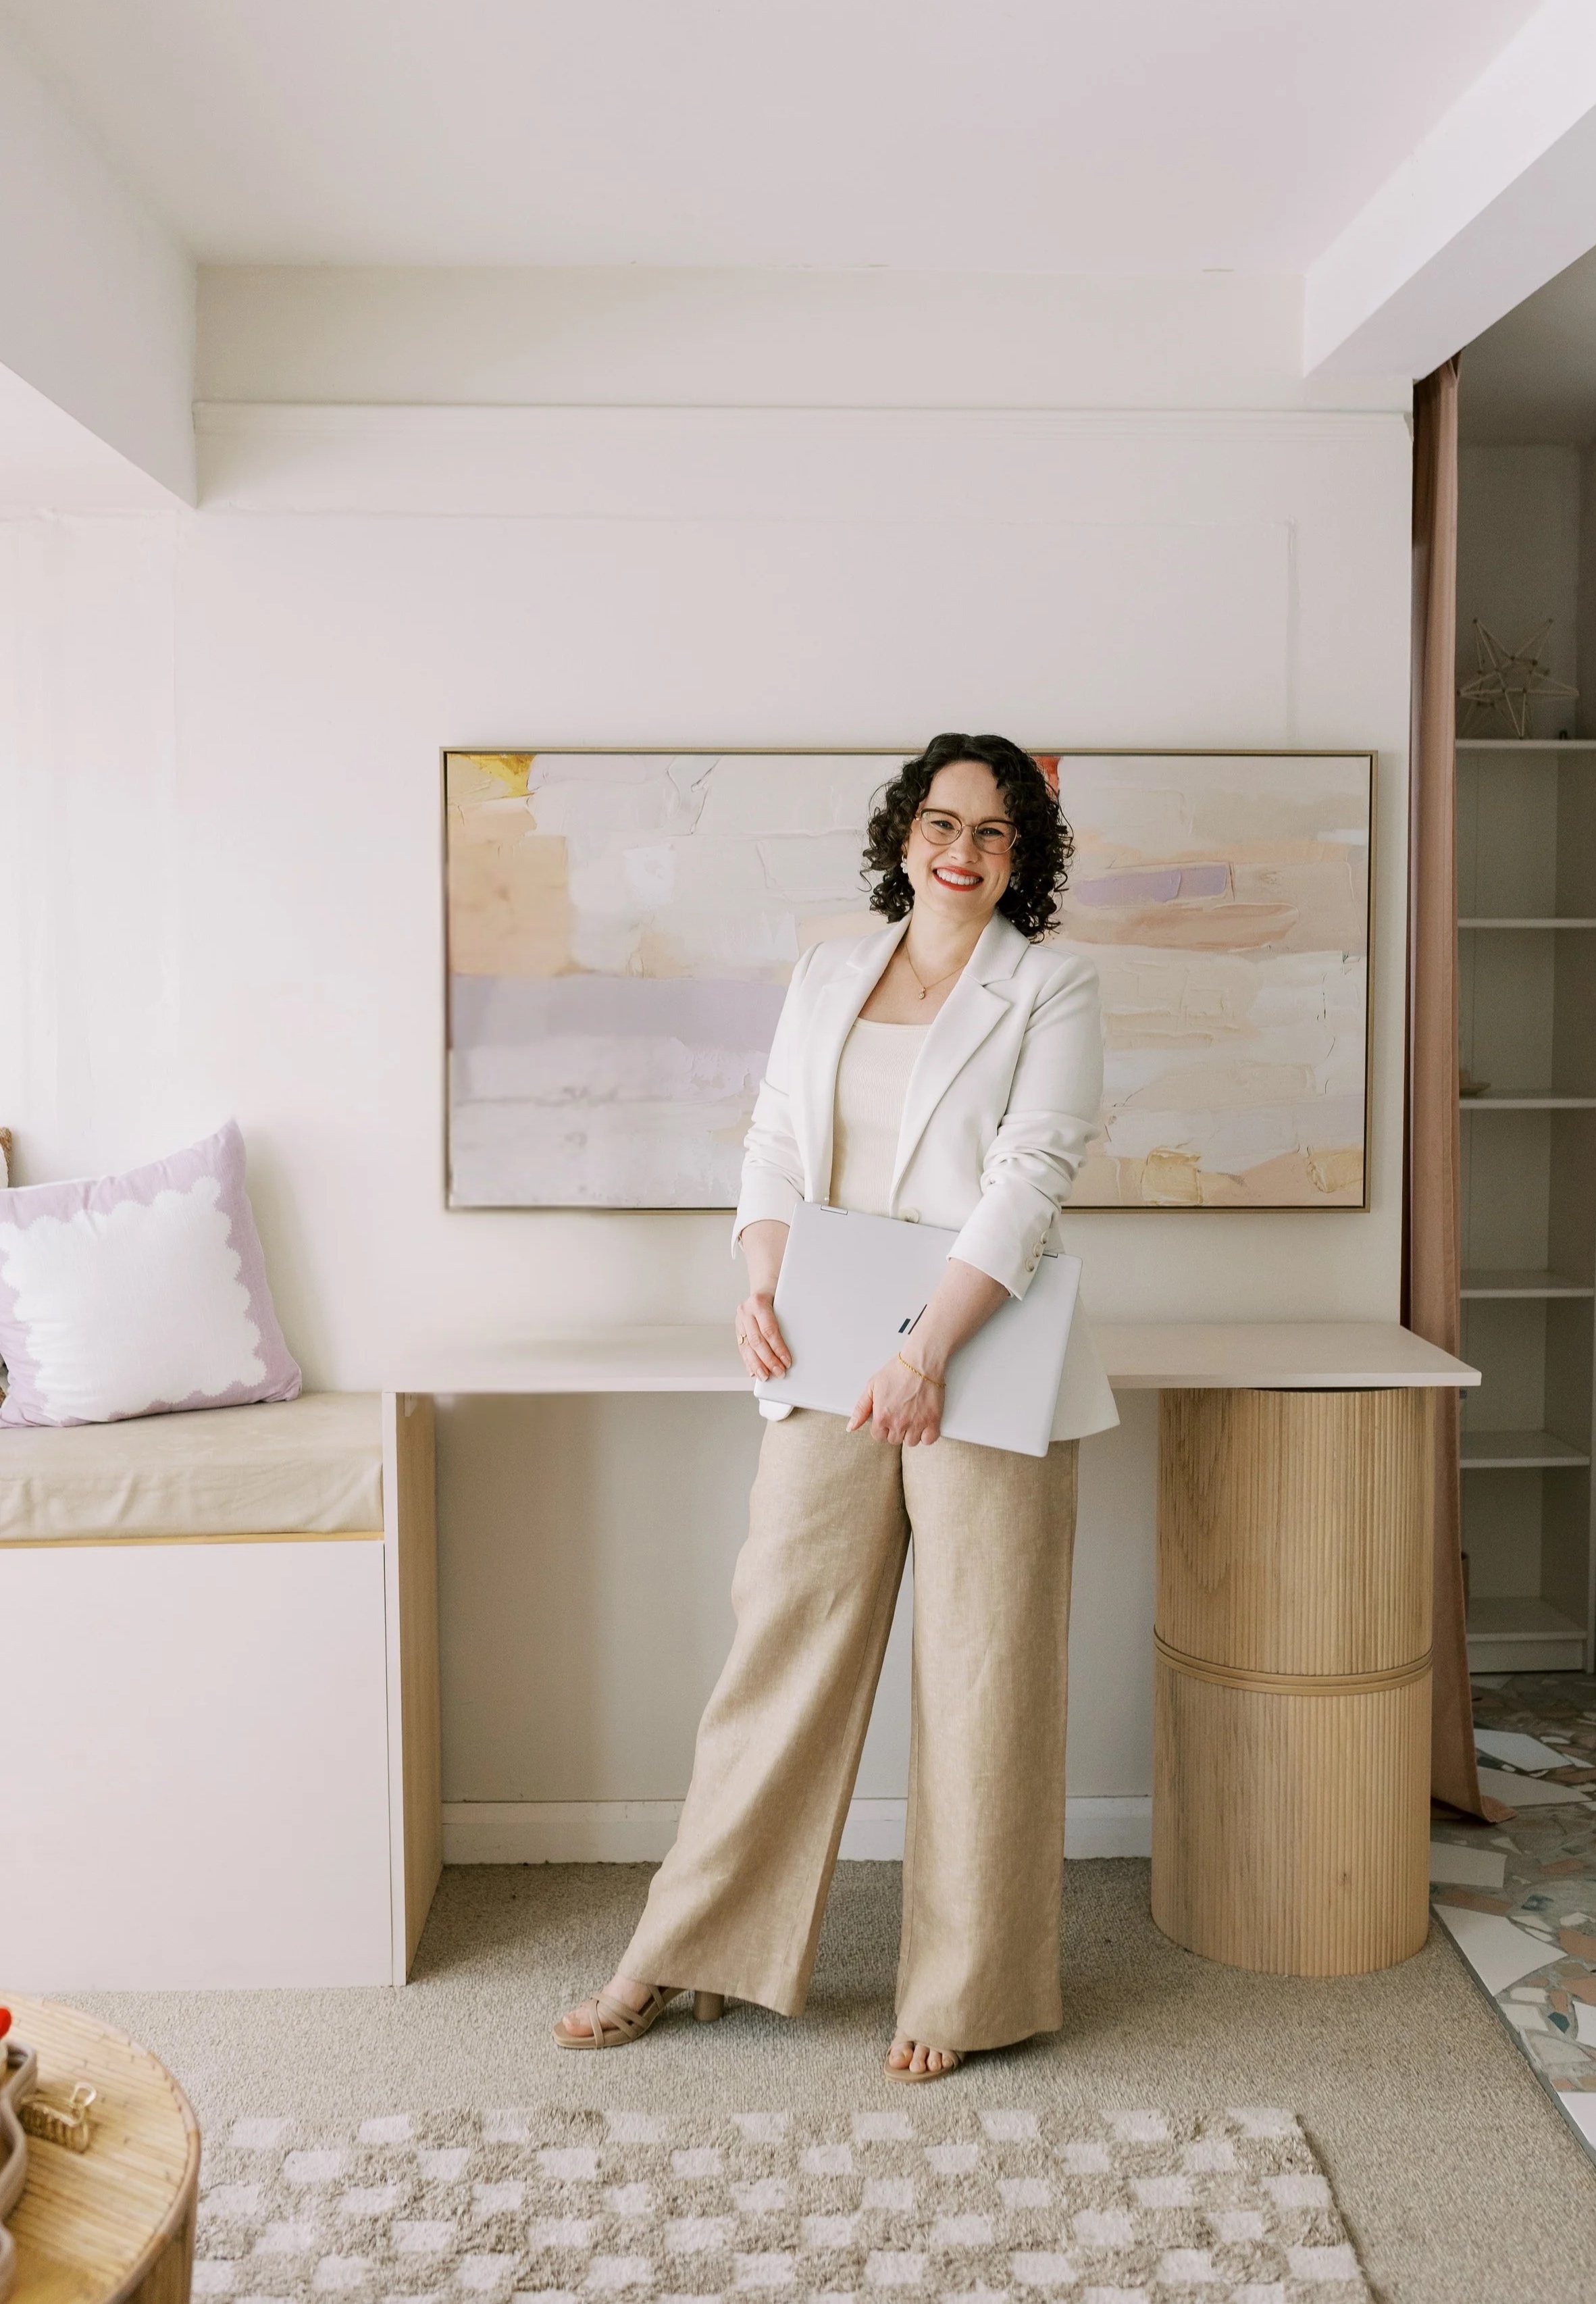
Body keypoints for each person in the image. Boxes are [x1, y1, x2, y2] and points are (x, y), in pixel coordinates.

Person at [555, 732, 1118, 2078]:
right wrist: (762, 1280)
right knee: (778, 1653)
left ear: (1022, 856)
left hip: (983, 1351)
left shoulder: (1054, 986)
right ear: (905, 831)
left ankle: (967, 1989)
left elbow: (1030, 1179)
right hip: (823, 1348)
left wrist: (925, 1348)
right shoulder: (826, 974)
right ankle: (680, 1952)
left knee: (985, 1673)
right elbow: (773, 1148)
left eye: (993, 832)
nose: (962, 850)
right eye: (943, 821)